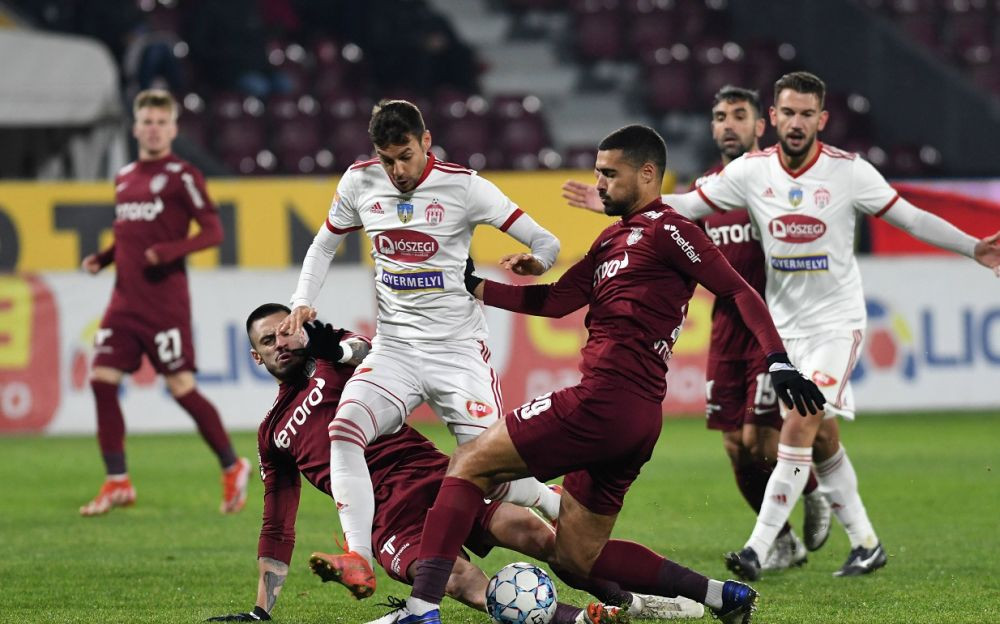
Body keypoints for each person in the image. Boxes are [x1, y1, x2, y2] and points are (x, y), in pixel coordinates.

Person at [386, 124, 828, 624]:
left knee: (468, 462)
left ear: (647, 173)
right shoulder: (611, 239)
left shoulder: (670, 229)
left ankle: (422, 609)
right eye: (597, 172)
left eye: (609, 174)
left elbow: (737, 290)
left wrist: (777, 359)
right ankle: (721, 596)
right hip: (632, 419)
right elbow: (556, 301)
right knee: (577, 557)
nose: (599, 184)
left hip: (603, 402)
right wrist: (477, 286)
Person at [642, 71, 1000, 580]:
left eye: (806, 114)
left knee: (798, 423)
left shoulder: (848, 172)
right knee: (821, 435)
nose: (796, 122)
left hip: (836, 325)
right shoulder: (751, 171)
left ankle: (758, 548)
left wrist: (972, 247)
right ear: (774, 117)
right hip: (782, 331)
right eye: (788, 112)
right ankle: (867, 543)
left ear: (822, 119)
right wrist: (627, 198)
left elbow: (911, 219)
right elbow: (686, 204)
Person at [204, 303, 705, 623]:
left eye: (285, 333)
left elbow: (368, 350)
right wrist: (260, 611)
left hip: (437, 476)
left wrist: (329, 344)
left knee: (538, 537)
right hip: (387, 521)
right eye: (268, 341)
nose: (281, 344)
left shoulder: (333, 358)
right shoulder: (273, 433)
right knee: (460, 580)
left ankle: (637, 603)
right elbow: (277, 525)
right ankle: (582, 619)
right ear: (255, 356)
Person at [278, 99, 564, 598]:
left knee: (491, 475)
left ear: (426, 142)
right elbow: (323, 244)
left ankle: (553, 502)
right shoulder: (359, 182)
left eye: (405, 156)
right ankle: (358, 557)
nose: (397, 171)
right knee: (344, 430)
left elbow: (547, 241)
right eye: (387, 159)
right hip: (396, 348)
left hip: (458, 352)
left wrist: (536, 262)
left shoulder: (465, 187)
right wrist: (302, 301)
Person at [562, 86, 833, 570]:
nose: (729, 125)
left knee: (760, 440)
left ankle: (810, 488)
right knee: (734, 446)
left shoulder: (777, 182)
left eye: (739, 116)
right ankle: (785, 541)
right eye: (720, 116)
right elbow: (670, 225)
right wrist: (614, 201)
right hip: (725, 327)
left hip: (772, 319)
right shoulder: (703, 191)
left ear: (760, 126)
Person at [79, 89, 249, 517]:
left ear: (173, 129)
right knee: (101, 380)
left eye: (161, 122)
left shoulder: (183, 175)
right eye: (147, 122)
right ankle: (117, 481)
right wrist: (103, 258)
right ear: (135, 128)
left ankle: (232, 465)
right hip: (123, 301)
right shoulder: (124, 177)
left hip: (164, 304)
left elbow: (213, 231)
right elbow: (128, 235)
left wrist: (170, 251)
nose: (153, 129)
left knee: (180, 387)